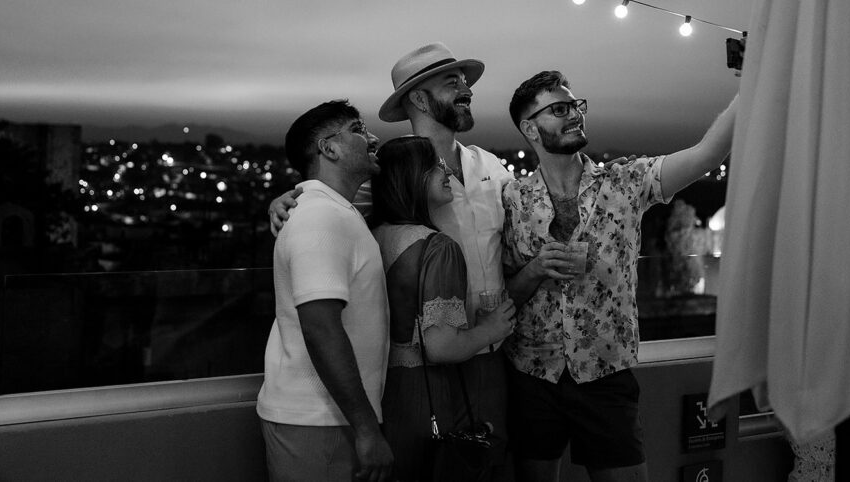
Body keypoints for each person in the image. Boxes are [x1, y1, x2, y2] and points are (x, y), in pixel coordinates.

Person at [270, 43, 516, 469]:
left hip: (493, 358)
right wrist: (287, 202)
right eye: (452, 81)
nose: (467, 90)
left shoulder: (493, 168)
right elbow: (326, 206)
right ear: (419, 98)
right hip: (423, 366)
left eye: (465, 81)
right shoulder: (385, 172)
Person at [501, 70, 737, 482]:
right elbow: (505, 297)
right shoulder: (511, 200)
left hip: (605, 377)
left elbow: (707, 154)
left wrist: (750, 83)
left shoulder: (626, 182)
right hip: (532, 376)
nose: (575, 115)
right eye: (559, 109)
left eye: (576, 106)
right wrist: (537, 269)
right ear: (530, 128)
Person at [256, 100, 393, 482]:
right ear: (329, 148)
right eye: (357, 128)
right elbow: (321, 327)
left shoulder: (334, 211)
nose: (372, 137)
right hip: (319, 422)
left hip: (328, 418)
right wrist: (367, 429)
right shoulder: (320, 217)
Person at [370, 135, 516, 481]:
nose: (445, 171)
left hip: (383, 389)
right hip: (426, 394)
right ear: (411, 176)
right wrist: (491, 329)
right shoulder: (438, 248)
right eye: (433, 166)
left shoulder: (372, 233)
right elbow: (441, 347)